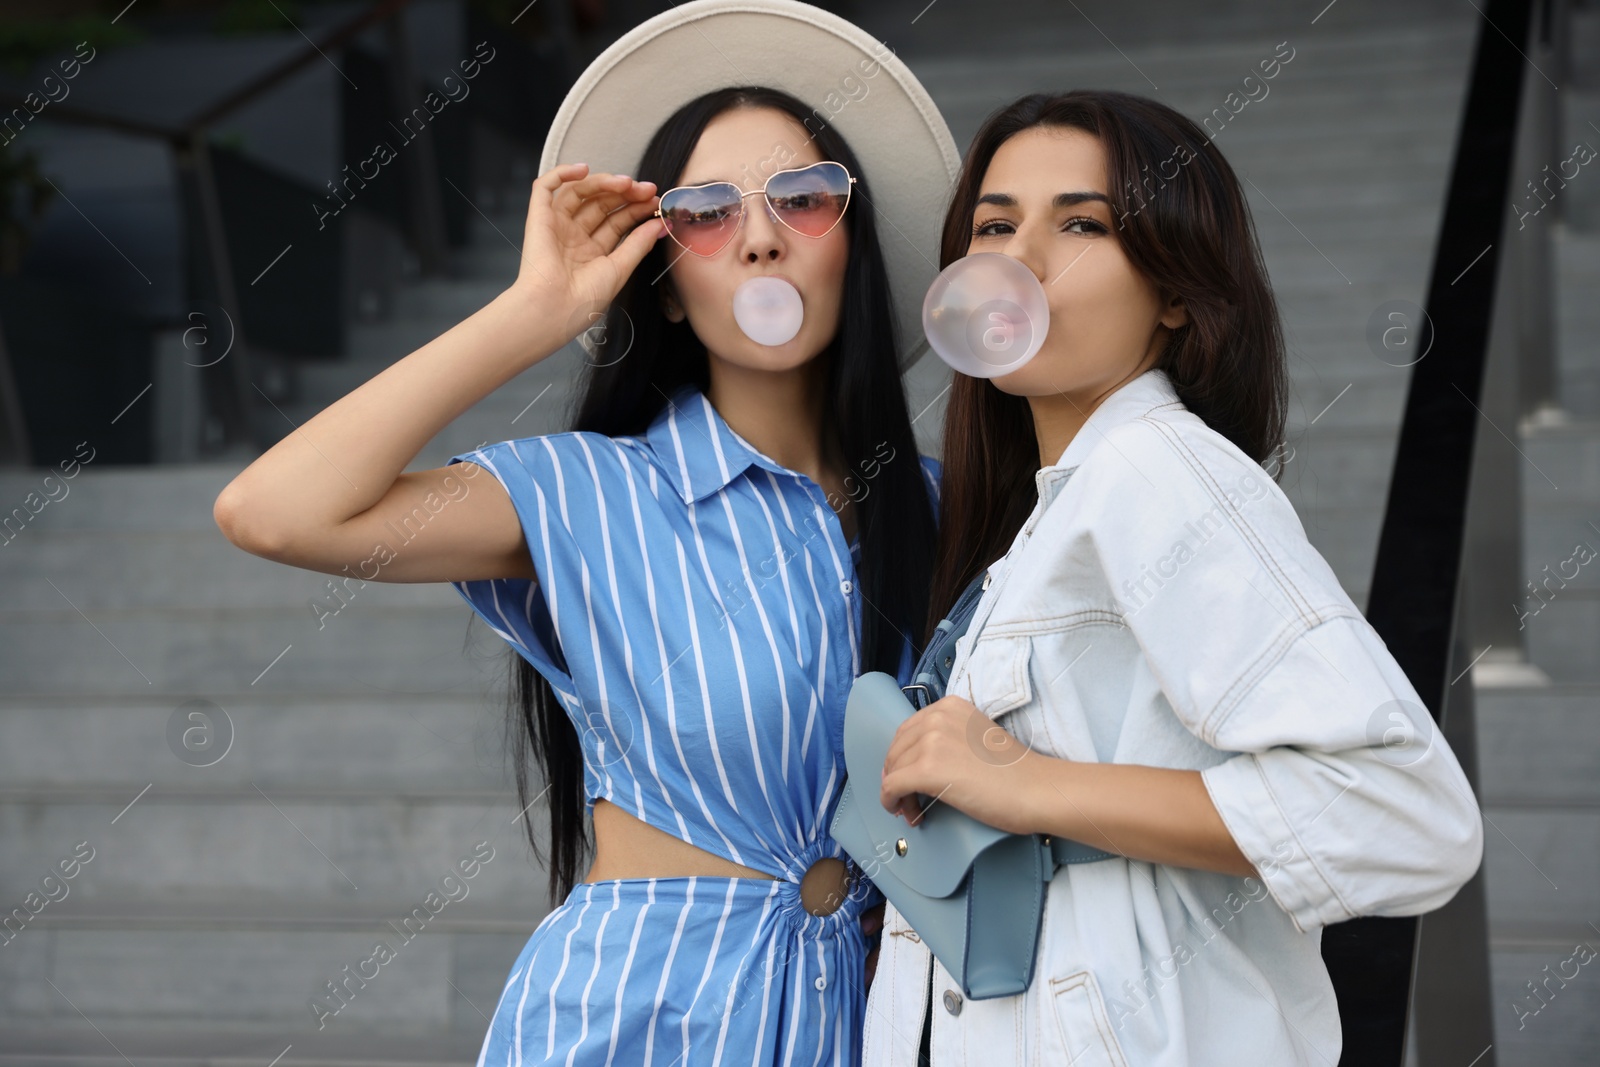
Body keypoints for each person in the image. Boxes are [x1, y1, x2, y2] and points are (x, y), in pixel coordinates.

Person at [212, 3, 963, 1062]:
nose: (758, 235)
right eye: (704, 211)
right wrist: (537, 311)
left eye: (802, 199)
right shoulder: (587, 491)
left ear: (854, 242)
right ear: (660, 285)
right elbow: (272, 510)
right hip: (642, 1012)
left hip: (855, 1015)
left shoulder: (933, 508)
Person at [861, 89, 1485, 1066]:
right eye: (993, 224)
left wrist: (1030, 782)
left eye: (1080, 223)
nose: (1016, 260)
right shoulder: (1046, 517)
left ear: (1176, 291)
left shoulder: (1157, 471)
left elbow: (1405, 810)